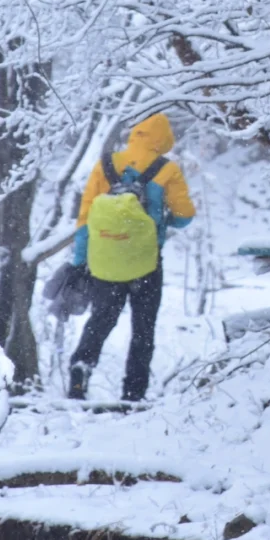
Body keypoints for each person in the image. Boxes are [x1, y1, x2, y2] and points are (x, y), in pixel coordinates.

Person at [67, 112, 195, 402]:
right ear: (163, 141)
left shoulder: (107, 164)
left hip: (104, 260)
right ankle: (133, 392)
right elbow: (185, 216)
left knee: (100, 320)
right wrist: (161, 222)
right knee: (143, 327)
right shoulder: (166, 169)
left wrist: (79, 260)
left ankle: (81, 368)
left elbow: (85, 217)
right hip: (145, 262)